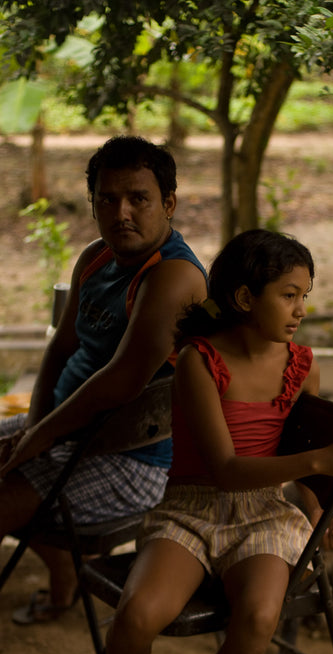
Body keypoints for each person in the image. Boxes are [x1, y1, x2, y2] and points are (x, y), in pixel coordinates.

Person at [103, 229, 333, 654]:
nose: (301, 310)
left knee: (258, 619)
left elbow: (298, 446)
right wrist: (318, 462)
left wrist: (319, 505)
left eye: (304, 296)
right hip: (192, 510)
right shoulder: (198, 361)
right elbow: (225, 470)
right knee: (135, 619)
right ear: (246, 297)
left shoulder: (301, 367)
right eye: (289, 296)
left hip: (264, 514)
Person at [0, 135, 207, 622]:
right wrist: (34, 423)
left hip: (131, 459)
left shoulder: (173, 277)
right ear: (93, 205)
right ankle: (64, 581)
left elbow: (123, 381)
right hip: (63, 433)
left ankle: (63, 579)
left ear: (168, 204)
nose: (122, 213)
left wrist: (39, 436)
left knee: (4, 497)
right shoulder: (96, 257)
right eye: (107, 199)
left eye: (139, 199)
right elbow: (63, 344)